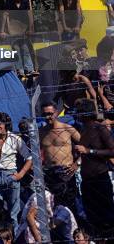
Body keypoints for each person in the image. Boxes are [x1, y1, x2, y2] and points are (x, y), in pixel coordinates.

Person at [0, 112, 32, 235]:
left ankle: (14, 237)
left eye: (0, 123)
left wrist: (21, 174)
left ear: (6, 124)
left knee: (13, 214)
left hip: (11, 176)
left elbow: (29, 157)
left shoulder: (15, 139)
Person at [74, 98, 114, 234]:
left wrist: (89, 151)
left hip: (100, 179)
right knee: (92, 218)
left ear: (86, 112)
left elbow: (112, 150)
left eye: (79, 111)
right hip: (87, 181)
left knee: (107, 219)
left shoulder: (100, 128)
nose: (77, 114)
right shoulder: (83, 130)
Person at [39, 102, 80, 213]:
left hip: (66, 170)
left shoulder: (67, 129)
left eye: (50, 114)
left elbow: (85, 146)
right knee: (52, 205)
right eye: (45, 114)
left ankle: (75, 228)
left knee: (70, 204)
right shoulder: (41, 132)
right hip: (49, 173)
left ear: (56, 113)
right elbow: (35, 152)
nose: (48, 117)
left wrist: (77, 163)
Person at [0, 0, 38, 77]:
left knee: (25, 48)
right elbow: (4, 16)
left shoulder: (25, 2)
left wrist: (31, 28)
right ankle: (20, 70)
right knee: (16, 50)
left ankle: (29, 69)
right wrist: (2, 31)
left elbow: (30, 15)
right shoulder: (9, 3)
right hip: (13, 29)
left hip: (24, 29)